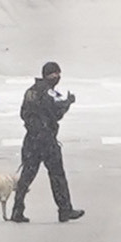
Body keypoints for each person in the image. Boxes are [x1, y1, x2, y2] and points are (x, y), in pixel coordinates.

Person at [10, 61, 83, 222]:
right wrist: (68, 102)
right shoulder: (49, 92)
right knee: (57, 175)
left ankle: (17, 211)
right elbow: (56, 113)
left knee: (26, 176)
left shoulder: (30, 91)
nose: (57, 77)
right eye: (54, 74)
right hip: (47, 140)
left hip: (31, 139)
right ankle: (65, 210)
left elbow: (23, 113)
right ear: (48, 75)